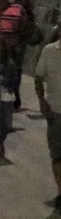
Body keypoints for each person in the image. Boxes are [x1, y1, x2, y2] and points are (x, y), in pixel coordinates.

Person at [33, 15, 61, 209]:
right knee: (57, 155)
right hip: (56, 111)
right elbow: (38, 77)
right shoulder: (50, 51)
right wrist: (42, 102)